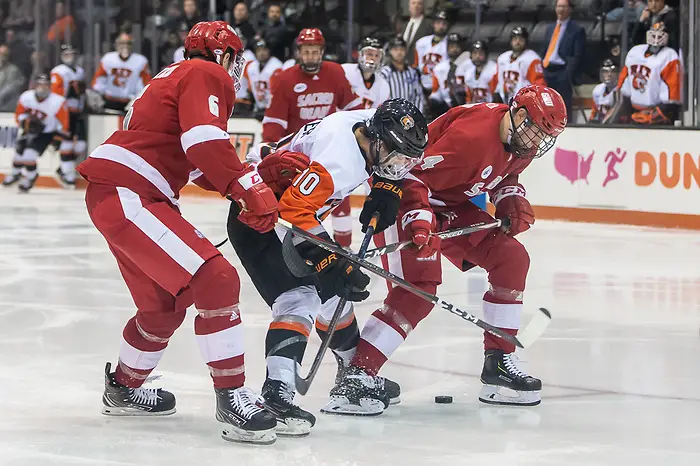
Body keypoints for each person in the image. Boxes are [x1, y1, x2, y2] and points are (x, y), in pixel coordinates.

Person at [76, 21, 280, 445]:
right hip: (132, 194)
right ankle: (232, 397)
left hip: (119, 193)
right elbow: (205, 141)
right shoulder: (208, 74)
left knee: (162, 307)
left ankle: (124, 388)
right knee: (216, 278)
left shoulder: (171, 75)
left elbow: (195, 159)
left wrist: (246, 181)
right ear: (224, 55)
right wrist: (245, 186)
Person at [320, 85, 567, 415]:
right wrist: (420, 221)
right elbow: (408, 173)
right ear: (519, 115)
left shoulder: (520, 143)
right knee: (418, 289)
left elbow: (503, 178)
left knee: (512, 258)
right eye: (535, 131)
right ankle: (357, 376)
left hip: (449, 205)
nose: (537, 143)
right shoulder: (472, 138)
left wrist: (510, 199)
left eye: (544, 137)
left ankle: (499, 361)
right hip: (402, 198)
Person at [227, 99, 427, 432]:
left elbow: (303, 208)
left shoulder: (370, 124)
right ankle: (278, 393)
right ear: (377, 139)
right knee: (300, 299)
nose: (398, 163)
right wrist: (330, 258)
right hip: (261, 218)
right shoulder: (340, 160)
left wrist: (386, 185)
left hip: (287, 214)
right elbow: (294, 209)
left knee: (335, 297)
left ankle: (352, 375)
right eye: (394, 155)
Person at [261, 28, 361, 144]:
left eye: (315, 52)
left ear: (322, 52)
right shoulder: (285, 79)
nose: (310, 57)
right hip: (297, 145)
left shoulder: (335, 72)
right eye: (306, 52)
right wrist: (271, 146)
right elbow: (274, 120)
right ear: (299, 53)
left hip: (328, 142)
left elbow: (353, 108)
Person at [2, 74, 69, 192]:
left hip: (46, 133)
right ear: (35, 85)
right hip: (29, 130)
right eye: (40, 84)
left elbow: (64, 122)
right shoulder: (26, 97)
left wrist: (58, 138)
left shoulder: (58, 101)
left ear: (50, 86)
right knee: (18, 153)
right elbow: (19, 114)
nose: (42, 87)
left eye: (45, 85)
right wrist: (24, 122)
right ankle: (15, 174)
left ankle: (31, 177)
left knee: (29, 156)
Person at [606, 22, 681, 125]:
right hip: (633, 111)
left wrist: (655, 115)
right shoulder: (635, 52)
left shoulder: (669, 56)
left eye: (660, 36)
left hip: (655, 114)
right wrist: (621, 113)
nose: (656, 39)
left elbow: (671, 97)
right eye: (653, 35)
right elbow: (623, 86)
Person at [541, 0, 586, 120]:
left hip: (562, 71)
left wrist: (568, 73)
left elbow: (578, 55)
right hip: (547, 70)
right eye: (559, 6)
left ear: (570, 9)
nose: (561, 9)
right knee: (545, 104)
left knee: (562, 105)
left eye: (564, 7)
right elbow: (545, 49)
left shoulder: (576, 29)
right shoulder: (550, 28)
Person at [50, 45, 86, 189]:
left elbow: (82, 93)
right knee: (67, 143)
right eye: (66, 53)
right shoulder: (58, 71)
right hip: (65, 112)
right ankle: (68, 175)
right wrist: (68, 92)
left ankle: (63, 168)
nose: (69, 55)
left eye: (72, 53)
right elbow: (56, 95)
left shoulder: (80, 71)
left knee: (81, 144)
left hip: (77, 111)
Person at [91, 33, 152, 113]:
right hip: (110, 101)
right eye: (122, 43)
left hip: (130, 102)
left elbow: (146, 84)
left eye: (128, 43)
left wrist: (137, 99)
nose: (125, 46)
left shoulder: (141, 61)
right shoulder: (108, 59)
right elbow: (98, 81)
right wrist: (100, 95)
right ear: (116, 44)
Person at [495, 27, 546, 104]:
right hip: (506, 101)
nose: (517, 42)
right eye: (515, 39)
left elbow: (539, 85)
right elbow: (499, 81)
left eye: (521, 39)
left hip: (525, 102)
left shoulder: (533, 59)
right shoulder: (502, 58)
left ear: (526, 41)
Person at [379, 36, 425, 112]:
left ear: (406, 51)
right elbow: (381, 97)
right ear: (390, 51)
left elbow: (418, 96)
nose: (399, 52)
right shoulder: (384, 73)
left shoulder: (412, 72)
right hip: (389, 114)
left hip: (409, 116)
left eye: (402, 49)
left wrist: (416, 115)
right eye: (395, 49)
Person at [242, 39, 283, 119]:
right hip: (259, 108)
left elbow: (280, 92)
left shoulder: (277, 66)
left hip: (274, 109)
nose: (261, 53)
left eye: (264, 50)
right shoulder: (251, 67)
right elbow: (250, 88)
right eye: (259, 50)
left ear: (269, 51)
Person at [428, 32, 467, 115]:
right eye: (451, 46)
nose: (454, 49)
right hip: (447, 108)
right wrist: (434, 100)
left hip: (467, 106)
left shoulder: (469, 66)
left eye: (457, 46)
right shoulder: (439, 68)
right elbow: (435, 92)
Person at [414, 9, 450, 92]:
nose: (441, 26)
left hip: (441, 88)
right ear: (433, 24)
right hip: (422, 85)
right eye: (438, 23)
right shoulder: (421, 43)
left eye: (444, 24)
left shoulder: (450, 44)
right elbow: (415, 65)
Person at [402, 0, 432, 67]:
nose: (416, 6)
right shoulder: (404, 25)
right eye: (413, 3)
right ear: (409, 7)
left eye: (419, 4)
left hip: (419, 65)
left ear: (423, 7)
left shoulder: (429, 25)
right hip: (403, 64)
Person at [589, 59, 618, 123]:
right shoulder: (597, 89)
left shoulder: (622, 89)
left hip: (617, 123)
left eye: (612, 71)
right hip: (601, 122)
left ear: (617, 73)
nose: (609, 74)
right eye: (606, 72)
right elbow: (595, 110)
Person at [0, 43, 25, 112]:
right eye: (1, 54)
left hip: (7, 109)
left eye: (4, 54)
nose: (2, 57)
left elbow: (10, 89)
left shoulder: (13, 70)